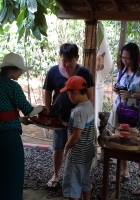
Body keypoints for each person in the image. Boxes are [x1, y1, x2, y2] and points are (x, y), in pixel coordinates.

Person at [0, 52, 46, 200]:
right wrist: (43, 108)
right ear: (11, 69)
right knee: (13, 170)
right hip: (8, 135)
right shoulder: (12, 86)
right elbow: (29, 110)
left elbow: (0, 113)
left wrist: (18, 120)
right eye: (20, 70)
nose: (21, 73)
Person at [43, 43, 94, 188]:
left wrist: (90, 113)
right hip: (59, 117)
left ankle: (78, 176)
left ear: (77, 58)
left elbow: (90, 93)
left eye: (70, 61)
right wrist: (48, 110)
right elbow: (47, 91)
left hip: (79, 119)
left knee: (78, 146)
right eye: (63, 60)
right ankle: (56, 174)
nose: (66, 64)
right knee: (58, 147)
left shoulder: (84, 72)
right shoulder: (53, 71)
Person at [106, 42, 140, 194]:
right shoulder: (122, 71)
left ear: (136, 58)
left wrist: (131, 94)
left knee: (138, 145)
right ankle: (124, 171)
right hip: (120, 111)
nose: (125, 61)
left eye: (128, 58)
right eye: (123, 57)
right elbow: (121, 89)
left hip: (134, 113)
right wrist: (116, 89)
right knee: (122, 141)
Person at [59, 75, 95, 200]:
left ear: (75, 92)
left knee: (72, 186)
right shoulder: (89, 106)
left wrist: (67, 146)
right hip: (87, 153)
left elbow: (76, 134)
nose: (68, 97)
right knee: (85, 180)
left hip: (77, 154)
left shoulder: (79, 111)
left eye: (68, 94)